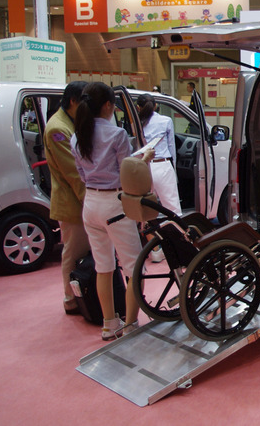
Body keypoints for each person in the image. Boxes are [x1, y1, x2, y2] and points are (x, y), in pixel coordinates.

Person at [71, 82, 153, 340]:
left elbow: (83, 175)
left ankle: (109, 323)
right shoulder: (116, 135)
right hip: (114, 204)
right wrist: (144, 160)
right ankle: (130, 324)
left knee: (103, 267)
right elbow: (126, 175)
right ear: (107, 105)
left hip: (91, 204)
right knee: (133, 266)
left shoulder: (77, 136)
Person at [44, 81, 91, 315]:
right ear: (73, 101)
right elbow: (74, 174)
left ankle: (80, 295)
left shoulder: (70, 123)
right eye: (84, 101)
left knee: (79, 252)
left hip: (79, 201)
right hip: (72, 202)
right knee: (73, 253)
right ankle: (70, 298)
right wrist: (91, 202)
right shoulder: (57, 129)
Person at [136, 93, 182, 216]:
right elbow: (171, 147)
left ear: (138, 107)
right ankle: (175, 233)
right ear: (156, 106)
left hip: (143, 166)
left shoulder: (136, 123)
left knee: (144, 208)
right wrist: (174, 170)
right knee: (172, 209)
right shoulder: (166, 121)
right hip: (163, 165)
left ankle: (148, 234)